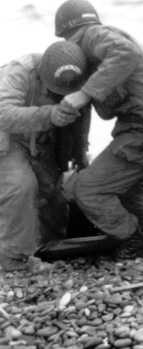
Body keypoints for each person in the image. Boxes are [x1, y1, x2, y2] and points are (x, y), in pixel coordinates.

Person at [55, 0, 143, 260]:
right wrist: (80, 153)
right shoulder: (96, 45)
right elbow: (85, 109)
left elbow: (125, 53)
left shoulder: (93, 35)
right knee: (127, 185)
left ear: (67, 33)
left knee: (87, 190)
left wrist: (84, 94)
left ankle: (133, 240)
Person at [0, 41, 91, 272]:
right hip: (7, 139)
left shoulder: (77, 79)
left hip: (38, 139)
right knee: (21, 185)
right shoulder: (18, 72)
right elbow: (2, 113)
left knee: (53, 194)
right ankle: (13, 259)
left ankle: (49, 249)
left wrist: (79, 154)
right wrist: (49, 114)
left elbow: (81, 116)